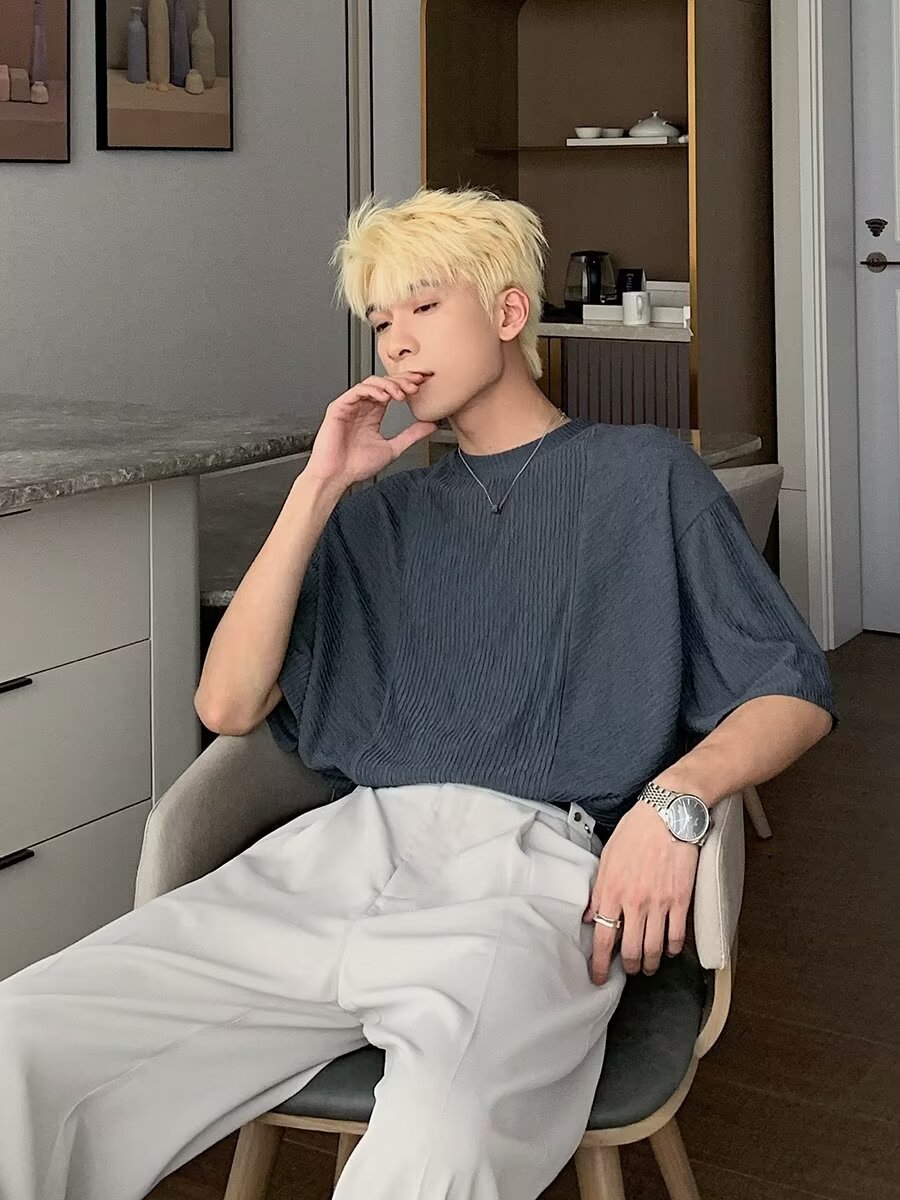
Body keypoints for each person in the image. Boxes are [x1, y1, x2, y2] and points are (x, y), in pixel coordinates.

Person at [0, 187, 837, 1200]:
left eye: (424, 306)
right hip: (334, 856)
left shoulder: (642, 476)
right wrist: (318, 487)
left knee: (442, 1135)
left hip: (531, 875)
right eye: (380, 321)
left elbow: (791, 686)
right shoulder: (377, 515)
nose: (397, 341)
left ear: (509, 312)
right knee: (21, 1040)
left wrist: (676, 799)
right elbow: (226, 707)